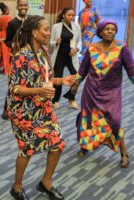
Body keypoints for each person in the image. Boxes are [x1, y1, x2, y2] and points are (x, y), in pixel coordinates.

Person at [8, 15, 76, 200]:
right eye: (45, 29)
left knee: (58, 143)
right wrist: (39, 90)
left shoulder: (43, 52)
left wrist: (62, 80)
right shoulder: (21, 56)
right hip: (23, 110)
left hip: (43, 108)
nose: (48, 33)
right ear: (34, 32)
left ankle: (45, 183)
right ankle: (16, 187)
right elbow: (14, 88)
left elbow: (45, 79)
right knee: (27, 149)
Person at [71, 20, 134, 168]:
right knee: (88, 119)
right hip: (91, 91)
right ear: (100, 32)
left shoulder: (122, 48)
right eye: (107, 29)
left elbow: (131, 70)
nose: (111, 31)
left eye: (113, 29)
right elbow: (83, 69)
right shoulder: (92, 48)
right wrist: (75, 85)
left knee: (114, 121)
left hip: (112, 91)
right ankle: (85, 145)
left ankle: (123, 152)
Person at [2, 0, 29, 120]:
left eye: (25, 5)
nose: (23, 7)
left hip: (30, 58)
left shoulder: (31, 21)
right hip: (17, 57)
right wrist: (14, 45)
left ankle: (24, 108)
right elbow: (7, 40)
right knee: (13, 83)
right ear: (17, 7)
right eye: (21, 5)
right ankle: (6, 108)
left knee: (28, 83)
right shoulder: (12, 23)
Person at [50, 8, 81, 109]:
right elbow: (51, 42)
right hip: (59, 55)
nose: (71, 17)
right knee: (58, 78)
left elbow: (79, 41)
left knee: (76, 77)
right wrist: (56, 42)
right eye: (69, 15)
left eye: (73, 15)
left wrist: (76, 49)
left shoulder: (76, 26)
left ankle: (71, 98)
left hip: (71, 55)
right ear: (63, 15)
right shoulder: (56, 26)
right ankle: (54, 100)